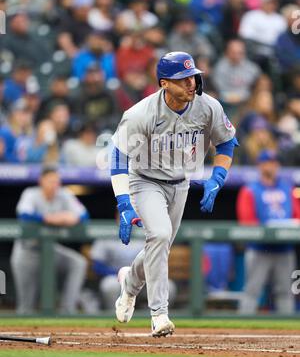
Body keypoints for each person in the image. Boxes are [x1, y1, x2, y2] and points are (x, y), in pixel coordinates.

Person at [110, 51, 238, 336]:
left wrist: (218, 178)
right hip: (145, 180)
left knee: (160, 245)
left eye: (193, 77)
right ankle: (159, 315)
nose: (191, 83)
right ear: (164, 83)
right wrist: (124, 203)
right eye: (183, 80)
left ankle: (129, 283)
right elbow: (118, 157)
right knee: (160, 236)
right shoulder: (141, 113)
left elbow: (227, 143)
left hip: (180, 183)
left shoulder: (208, 107)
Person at [10, 164, 88, 314]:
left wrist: (72, 217)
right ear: (41, 181)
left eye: (56, 181)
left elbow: (84, 215)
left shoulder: (64, 194)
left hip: (51, 250)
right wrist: (49, 218)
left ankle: (67, 309)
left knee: (78, 263)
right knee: (26, 306)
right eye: (50, 181)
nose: (54, 185)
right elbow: (24, 215)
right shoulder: (31, 193)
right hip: (27, 252)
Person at [237, 150, 300, 314]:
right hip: (259, 249)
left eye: (274, 163)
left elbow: (297, 215)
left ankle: (288, 338)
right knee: (252, 292)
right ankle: (241, 332)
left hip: (284, 249)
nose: (272, 166)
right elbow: (246, 221)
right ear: (260, 165)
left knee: (286, 293)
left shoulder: (288, 189)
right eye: (267, 162)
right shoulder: (250, 190)